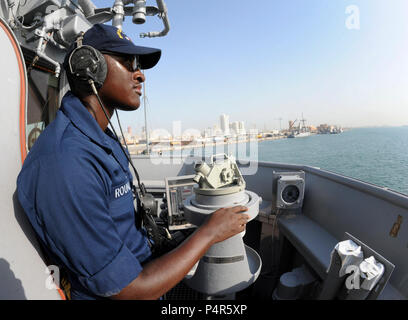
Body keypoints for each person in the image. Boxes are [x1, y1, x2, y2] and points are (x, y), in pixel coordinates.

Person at [16, 23, 249, 300]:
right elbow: (129, 291)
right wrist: (209, 234)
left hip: (145, 266)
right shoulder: (66, 164)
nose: (141, 76)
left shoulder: (99, 137)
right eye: (128, 63)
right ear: (89, 67)